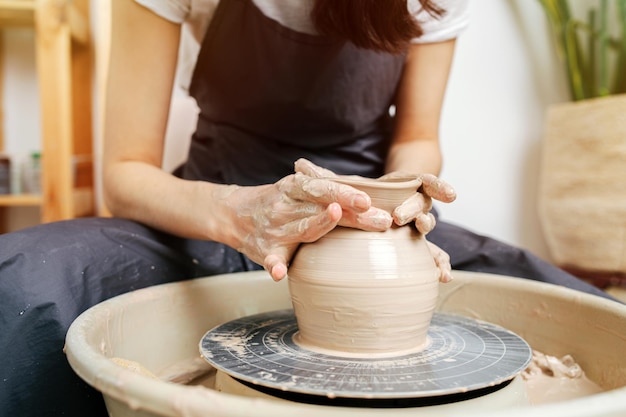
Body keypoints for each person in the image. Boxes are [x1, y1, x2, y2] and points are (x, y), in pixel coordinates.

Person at [0, 0, 616, 415]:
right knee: (25, 284)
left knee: (589, 316)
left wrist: (400, 197)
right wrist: (241, 215)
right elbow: (124, 174)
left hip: (367, 221)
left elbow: (419, 136)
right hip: (218, 204)